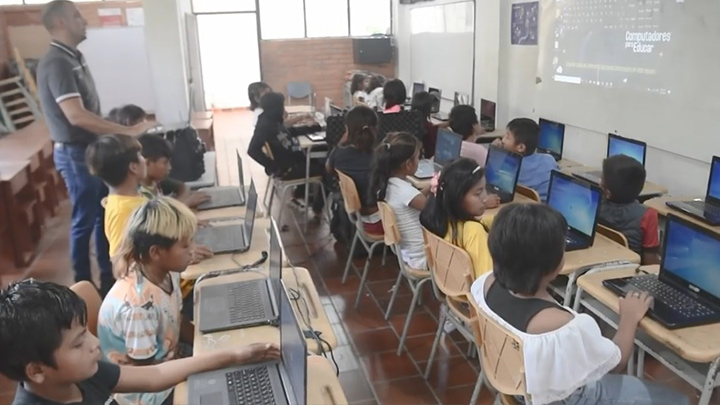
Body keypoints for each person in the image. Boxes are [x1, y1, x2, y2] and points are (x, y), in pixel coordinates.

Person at [470, 203, 690, 405]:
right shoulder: (561, 325)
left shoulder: (486, 283)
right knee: (678, 399)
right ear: (553, 265)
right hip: (565, 398)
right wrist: (628, 320)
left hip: (515, 385)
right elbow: (614, 364)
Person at [36, 0, 156, 292]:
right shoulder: (57, 62)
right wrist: (126, 131)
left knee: (105, 215)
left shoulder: (74, 57)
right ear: (61, 22)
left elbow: (88, 110)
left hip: (88, 150)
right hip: (76, 154)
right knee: (84, 221)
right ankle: (84, 289)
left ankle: (108, 277)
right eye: (77, 15)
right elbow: (76, 116)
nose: (83, 20)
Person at [0, 279, 279, 405]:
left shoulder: (78, 374)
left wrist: (236, 355)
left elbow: (152, 376)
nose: (96, 344)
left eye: (86, 332)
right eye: (78, 343)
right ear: (36, 370)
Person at [98, 197, 204, 404]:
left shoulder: (165, 272)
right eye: (185, 245)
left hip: (168, 362)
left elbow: (176, 318)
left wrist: (205, 346)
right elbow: (147, 374)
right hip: (147, 393)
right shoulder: (138, 306)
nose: (192, 249)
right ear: (156, 252)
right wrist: (198, 360)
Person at [420, 158, 500, 279]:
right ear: (456, 197)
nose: (485, 197)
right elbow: (486, 279)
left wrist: (502, 218)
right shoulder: (473, 231)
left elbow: (474, 225)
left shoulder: (438, 218)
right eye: (478, 193)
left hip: (451, 283)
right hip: (474, 293)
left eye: (485, 189)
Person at [248, 92, 325, 214]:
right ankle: (318, 207)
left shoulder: (271, 120)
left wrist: (315, 128)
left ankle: (299, 195)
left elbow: (289, 131)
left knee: (314, 157)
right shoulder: (265, 125)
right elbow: (252, 150)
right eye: (282, 106)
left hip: (292, 162)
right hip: (287, 169)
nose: (283, 109)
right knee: (326, 169)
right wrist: (272, 166)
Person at [370, 132, 430, 269]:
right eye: (418, 157)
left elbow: (414, 199)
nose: (419, 161)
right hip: (423, 257)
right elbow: (436, 210)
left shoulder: (390, 184)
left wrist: (429, 188)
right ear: (408, 164)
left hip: (407, 254)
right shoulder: (405, 192)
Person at [326, 106, 383, 234]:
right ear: (375, 129)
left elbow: (329, 169)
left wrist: (341, 142)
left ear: (347, 130)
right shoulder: (380, 157)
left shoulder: (339, 154)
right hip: (377, 215)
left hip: (356, 215)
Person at [599, 154, 660, 264]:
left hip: (598, 262)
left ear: (607, 193)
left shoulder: (595, 205)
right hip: (630, 271)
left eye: (602, 180)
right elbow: (650, 262)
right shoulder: (648, 215)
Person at [136, 134, 210, 209]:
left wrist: (180, 202)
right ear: (147, 163)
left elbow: (183, 186)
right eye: (165, 163)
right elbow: (158, 218)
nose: (170, 167)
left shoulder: (156, 182)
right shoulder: (138, 193)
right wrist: (185, 203)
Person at [493, 118, 557, 202]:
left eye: (507, 137)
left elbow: (493, 182)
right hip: (547, 208)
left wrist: (495, 152)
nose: (503, 140)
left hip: (526, 207)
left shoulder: (509, 167)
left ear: (521, 147)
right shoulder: (549, 160)